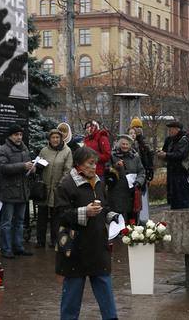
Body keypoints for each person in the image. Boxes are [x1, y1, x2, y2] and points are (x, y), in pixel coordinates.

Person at [55, 147, 119, 320]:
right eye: (90, 163)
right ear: (78, 165)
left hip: (98, 244)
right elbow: (61, 215)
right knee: (72, 295)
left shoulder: (98, 182)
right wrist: (84, 212)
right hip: (75, 247)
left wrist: (112, 217)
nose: (94, 167)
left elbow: (104, 207)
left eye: (95, 163)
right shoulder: (66, 184)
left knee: (105, 289)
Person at [0, 124, 34, 259]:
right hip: (9, 192)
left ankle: (18, 247)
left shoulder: (24, 149)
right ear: (10, 136)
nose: (19, 137)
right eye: (16, 135)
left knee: (19, 222)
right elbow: (2, 168)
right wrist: (23, 166)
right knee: (6, 223)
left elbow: (27, 167)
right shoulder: (3, 150)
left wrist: (32, 168)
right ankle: (6, 249)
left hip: (23, 191)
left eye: (20, 134)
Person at [36, 128, 73, 248]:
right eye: (53, 137)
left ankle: (54, 240)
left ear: (61, 138)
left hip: (57, 189)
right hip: (44, 188)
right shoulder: (44, 151)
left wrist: (60, 184)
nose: (55, 140)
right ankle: (40, 241)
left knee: (55, 217)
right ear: (49, 139)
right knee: (41, 216)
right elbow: (38, 166)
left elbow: (68, 170)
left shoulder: (67, 151)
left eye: (57, 137)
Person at [109, 134, 146, 223]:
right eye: (123, 144)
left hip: (132, 192)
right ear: (119, 144)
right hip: (117, 192)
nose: (125, 146)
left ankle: (132, 234)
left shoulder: (135, 156)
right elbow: (107, 170)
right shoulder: (112, 156)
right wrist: (116, 166)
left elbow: (141, 172)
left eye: (127, 144)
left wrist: (138, 182)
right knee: (119, 217)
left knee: (132, 217)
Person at [157, 121, 189, 209]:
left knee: (182, 197)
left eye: (171, 129)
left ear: (177, 129)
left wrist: (166, 155)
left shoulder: (183, 140)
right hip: (172, 172)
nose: (170, 131)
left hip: (181, 172)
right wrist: (162, 154)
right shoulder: (170, 140)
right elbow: (167, 152)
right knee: (174, 197)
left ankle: (183, 214)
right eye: (169, 129)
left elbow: (180, 155)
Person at [129, 118, 155, 221]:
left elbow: (149, 157)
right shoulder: (129, 141)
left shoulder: (144, 141)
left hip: (143, 172)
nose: (138, 129)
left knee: (142, 198)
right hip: (132, 173)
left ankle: (143, 220)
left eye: (140, 127)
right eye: (136, 127)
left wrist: (150, 170)